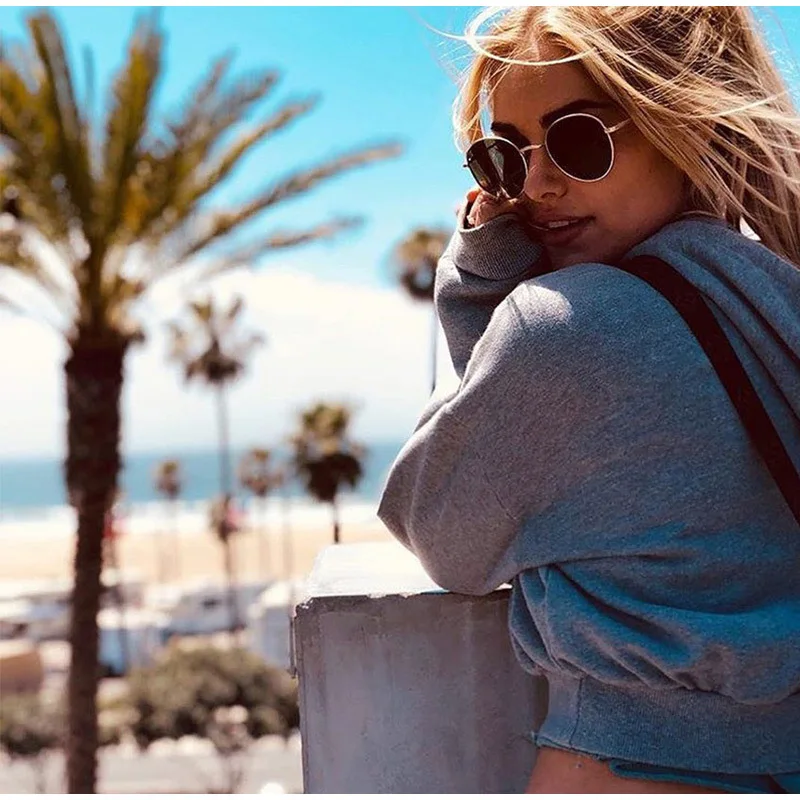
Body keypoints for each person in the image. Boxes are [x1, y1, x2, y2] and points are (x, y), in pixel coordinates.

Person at [378, 6, 800, 794]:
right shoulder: (776, 293)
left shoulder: (563, 330)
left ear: (685, 125)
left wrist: (479, 282)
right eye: (505, 157)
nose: (535, 186)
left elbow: (442, 532)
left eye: (578, 140)